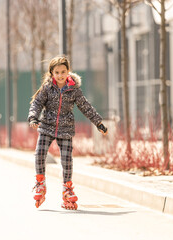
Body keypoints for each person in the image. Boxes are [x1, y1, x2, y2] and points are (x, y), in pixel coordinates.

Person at [28, 55, 108, 209]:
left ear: (68, 71)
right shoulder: (47, 88)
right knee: (39, 153)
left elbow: (85, 106)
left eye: (63, 72)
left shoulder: (74, 90)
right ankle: (40, 183)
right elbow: (36, 103)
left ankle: (67, 188)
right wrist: (33, 118)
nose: (60, 75)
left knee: (66, 160)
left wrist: (98, 122)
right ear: (52, 73)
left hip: (65, 128)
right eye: (56, 72)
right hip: (46, 126)